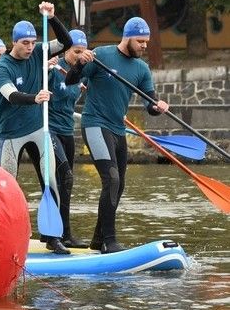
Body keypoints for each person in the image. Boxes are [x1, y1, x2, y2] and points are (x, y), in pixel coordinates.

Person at [65, 17, 169, 253]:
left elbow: (149, 105)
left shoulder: (142, 69)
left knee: (118, 185)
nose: (144, 46)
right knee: (111, 180)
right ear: (127, 36)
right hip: (95, 124)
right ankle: (110, 242)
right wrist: (80, 63)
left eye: (146, 42)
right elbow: (70, 80)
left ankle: (98, 240)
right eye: (140, 41)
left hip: (117, 130)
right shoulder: (101, 55)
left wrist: (158, 106)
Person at [0, 1, 73, 254]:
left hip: (39, 129)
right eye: (24, 43)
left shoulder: (40, 51)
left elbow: (67, 42)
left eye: (32, 42)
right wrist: (34, 98)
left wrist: (52, 18)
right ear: (13, 43)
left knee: (51, 181)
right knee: (6, 188)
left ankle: (52, 237)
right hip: (11, 134)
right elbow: (10, 95)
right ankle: (1, 238)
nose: (29, 47)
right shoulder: (2, 66)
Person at [47, 29, 89, 248]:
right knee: (65, 177)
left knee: (66, 185)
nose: (79, 55)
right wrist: (44, 69)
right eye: (76, 51)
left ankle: (64, 234)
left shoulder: (81, 73)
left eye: (83, 52)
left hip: (67, 131)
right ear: (66, 50)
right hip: (49, 130)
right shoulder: (53, 69)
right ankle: (54, 234)